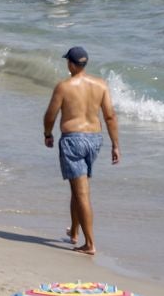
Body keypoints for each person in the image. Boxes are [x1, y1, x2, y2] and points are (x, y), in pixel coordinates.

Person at [43, 45, 121, 255]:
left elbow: (51, 114)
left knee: (82, 193)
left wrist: (47, 133)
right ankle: (75, 232)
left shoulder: (64, 86)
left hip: (73, 140)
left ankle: (90, 243)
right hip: (95, 140)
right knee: (78, 189)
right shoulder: (101, 84)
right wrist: (115, 145)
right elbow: (110, 116)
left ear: (70, 64)